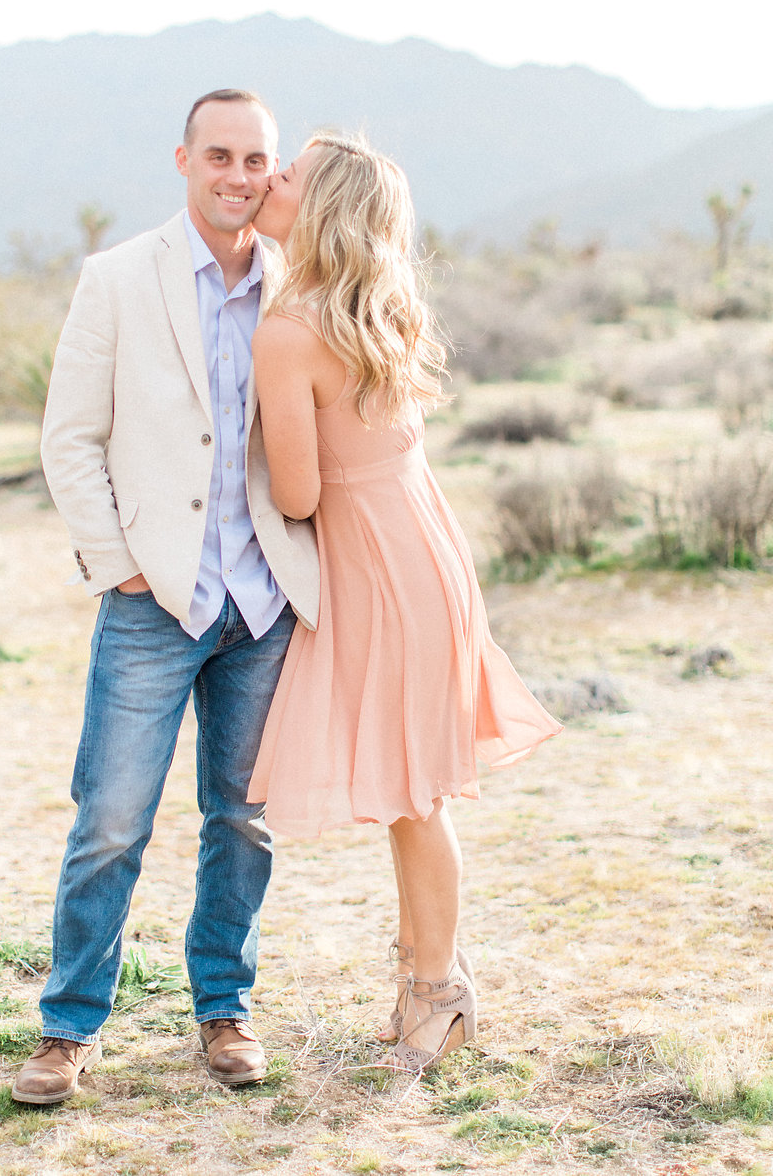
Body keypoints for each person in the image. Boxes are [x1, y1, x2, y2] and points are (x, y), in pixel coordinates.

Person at [13, 90, 319, 1105]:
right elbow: (69, 437)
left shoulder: (298, 285)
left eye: (256, 161)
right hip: (153, 601)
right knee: (109, 820)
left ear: (273, 174)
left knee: (245, 821)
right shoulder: (116, 278)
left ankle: (224, 1011)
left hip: (262, 605)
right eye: (219, 155)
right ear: (183, 159)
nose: (238, 175)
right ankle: (68, 1029)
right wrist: (123, 564)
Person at [245, 133, 562, 1074]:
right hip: (426, 547)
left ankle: (441, 991)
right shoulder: (377, 309)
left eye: (288, 174)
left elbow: (298, 496)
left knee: (415, 796)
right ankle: (425, 978)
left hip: (377, 566)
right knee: (408, 791)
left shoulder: (288, 330)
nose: (269, 179)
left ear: (321, 206)